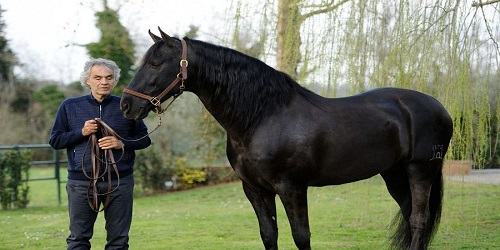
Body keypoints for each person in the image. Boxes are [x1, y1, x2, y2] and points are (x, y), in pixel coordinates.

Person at [49, 58, 151, 250]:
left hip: (120, 182)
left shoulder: (126, 106)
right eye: (98, 77)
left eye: (108, 78)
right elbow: (55, 140)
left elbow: (145, 139)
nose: (104, 82)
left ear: (114, 81)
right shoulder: (70, 106)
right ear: (87, 80)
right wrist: (82, 132)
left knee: (119, 241)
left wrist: (121, 143)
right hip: (81, 183)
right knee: (78, 239)